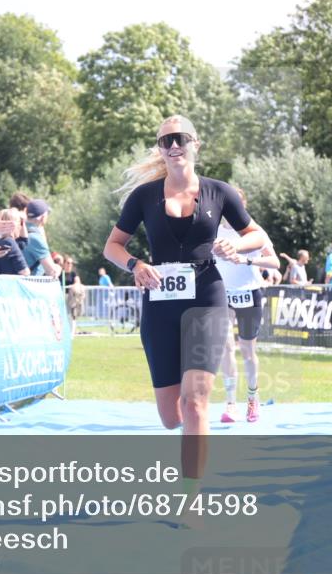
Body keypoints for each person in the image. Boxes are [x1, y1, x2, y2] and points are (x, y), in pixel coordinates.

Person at [102, 115, 267, 510]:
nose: (173, 146)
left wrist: (237, 248)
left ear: (195, 143)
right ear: (160, 149)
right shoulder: (144, 196)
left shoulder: (220, 192)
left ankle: (190, 498)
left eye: (180, 139)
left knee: (196, 401)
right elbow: (113, 246)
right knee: (171, 416)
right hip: (159, 304)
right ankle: (191, 446)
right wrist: (136, 266)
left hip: (206, 299)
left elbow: (258, 236)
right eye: (165, 141)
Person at [214, 188, 280, 424]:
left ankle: (253, 398)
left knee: (247, 351)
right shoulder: (213, 230)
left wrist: (248, 259)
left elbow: (275, 262)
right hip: (221, 294)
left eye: (237, 206)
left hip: (249, 294)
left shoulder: (254, 231)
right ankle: (230, 402)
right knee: (225, 348)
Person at [23, 199, 62, 277]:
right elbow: (52, 272)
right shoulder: (35, 239)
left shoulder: (19, 231)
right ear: (43, 217)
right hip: (31, 286)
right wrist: (58, 267)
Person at [0, 208, 30, 276]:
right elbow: (25, 272)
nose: (20, 227)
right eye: (19, 224)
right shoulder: (10, 243)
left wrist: (22, 222)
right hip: (10, 284)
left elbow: (23, 241)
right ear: (15, 225)